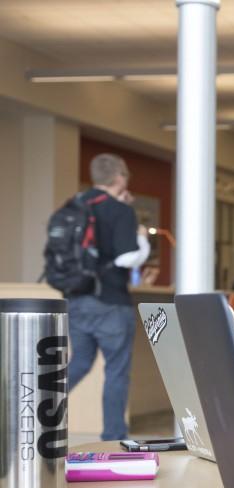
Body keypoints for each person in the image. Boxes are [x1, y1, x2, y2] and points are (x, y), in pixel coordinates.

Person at [66, 153, 150, 441]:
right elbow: (128, 259)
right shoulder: (121, 211)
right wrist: (141, 236)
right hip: (111, 302)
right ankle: (114, 437)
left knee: (79, 362)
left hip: (77, 298)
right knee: (116, 370)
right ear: (119, 178)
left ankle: (33, 411)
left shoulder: (75, 204)